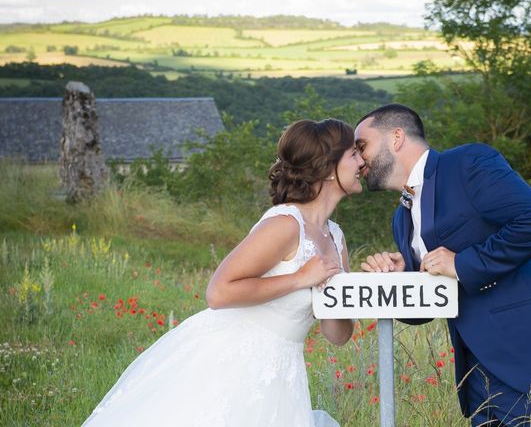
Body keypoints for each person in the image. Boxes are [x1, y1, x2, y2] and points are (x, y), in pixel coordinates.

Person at [83, 119, 364, 427]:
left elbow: (337, 336)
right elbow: (218, 292)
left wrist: (337, 294)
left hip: (283, 369)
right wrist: (300, 279)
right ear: (326, 166)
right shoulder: (285, 224)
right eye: (353, 153)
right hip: (233, 361)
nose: (362, 162)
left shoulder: (336, 237)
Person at [355, 104, 531, 426]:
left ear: (396, 137)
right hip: (478, 376)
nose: (359, 160)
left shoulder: (467, 163)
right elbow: (425, 310)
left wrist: (463, 263)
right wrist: (402, 281)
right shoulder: (402, 218)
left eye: (362, 146)